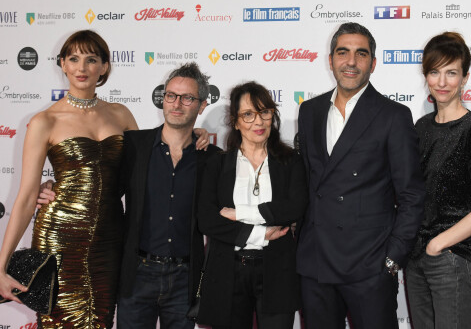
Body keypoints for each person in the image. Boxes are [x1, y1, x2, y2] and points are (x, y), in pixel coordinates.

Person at [36, 61, 214, 329]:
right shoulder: (134, 146)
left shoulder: (212, 159)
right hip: (137, 275)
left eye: (187, 98)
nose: (177, 104)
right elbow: (99, 184)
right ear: (163, 100)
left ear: (201, 105)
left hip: (184, 280)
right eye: (171, 96)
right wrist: (54, 186)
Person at [0, 30, 138, 328]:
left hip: (110, 238)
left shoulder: (122, 114)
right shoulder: (44, 121)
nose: (81, 67)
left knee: (100, 320)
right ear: (62, 64)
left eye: (91, 59)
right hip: (60, 239)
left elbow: (143, 173)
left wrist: (196, 136)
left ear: (104, 66)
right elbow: (25, 198)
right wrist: (1, 266)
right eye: (73, 59)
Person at [296, 22, 425, 329]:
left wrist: (392, 260)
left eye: (360, 54)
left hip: (369, 266)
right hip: (316, 264)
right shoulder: (309, 111)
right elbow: (305, 181)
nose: (351, 62)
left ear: (373, 63)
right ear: (330, 60)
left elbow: (411, 194)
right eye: (343, 52)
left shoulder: (393, 115)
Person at [405, 32, 471, 328]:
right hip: (415, 260)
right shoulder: (421, 127)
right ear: (426, 76)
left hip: (451, 260)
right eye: (435, 72)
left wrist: (439, 244)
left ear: (465, 78)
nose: (442, 81)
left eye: (452, 73)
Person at [196, 82, 307, 329]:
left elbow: (294, 208)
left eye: (264, 112)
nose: (258, 122)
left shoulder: (290, 162)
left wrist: (240, 214)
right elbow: (207, 219)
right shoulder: (218, 164)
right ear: (235, 122)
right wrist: (260, 232)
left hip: (278, 271)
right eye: (248, 114)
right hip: (228, 270)